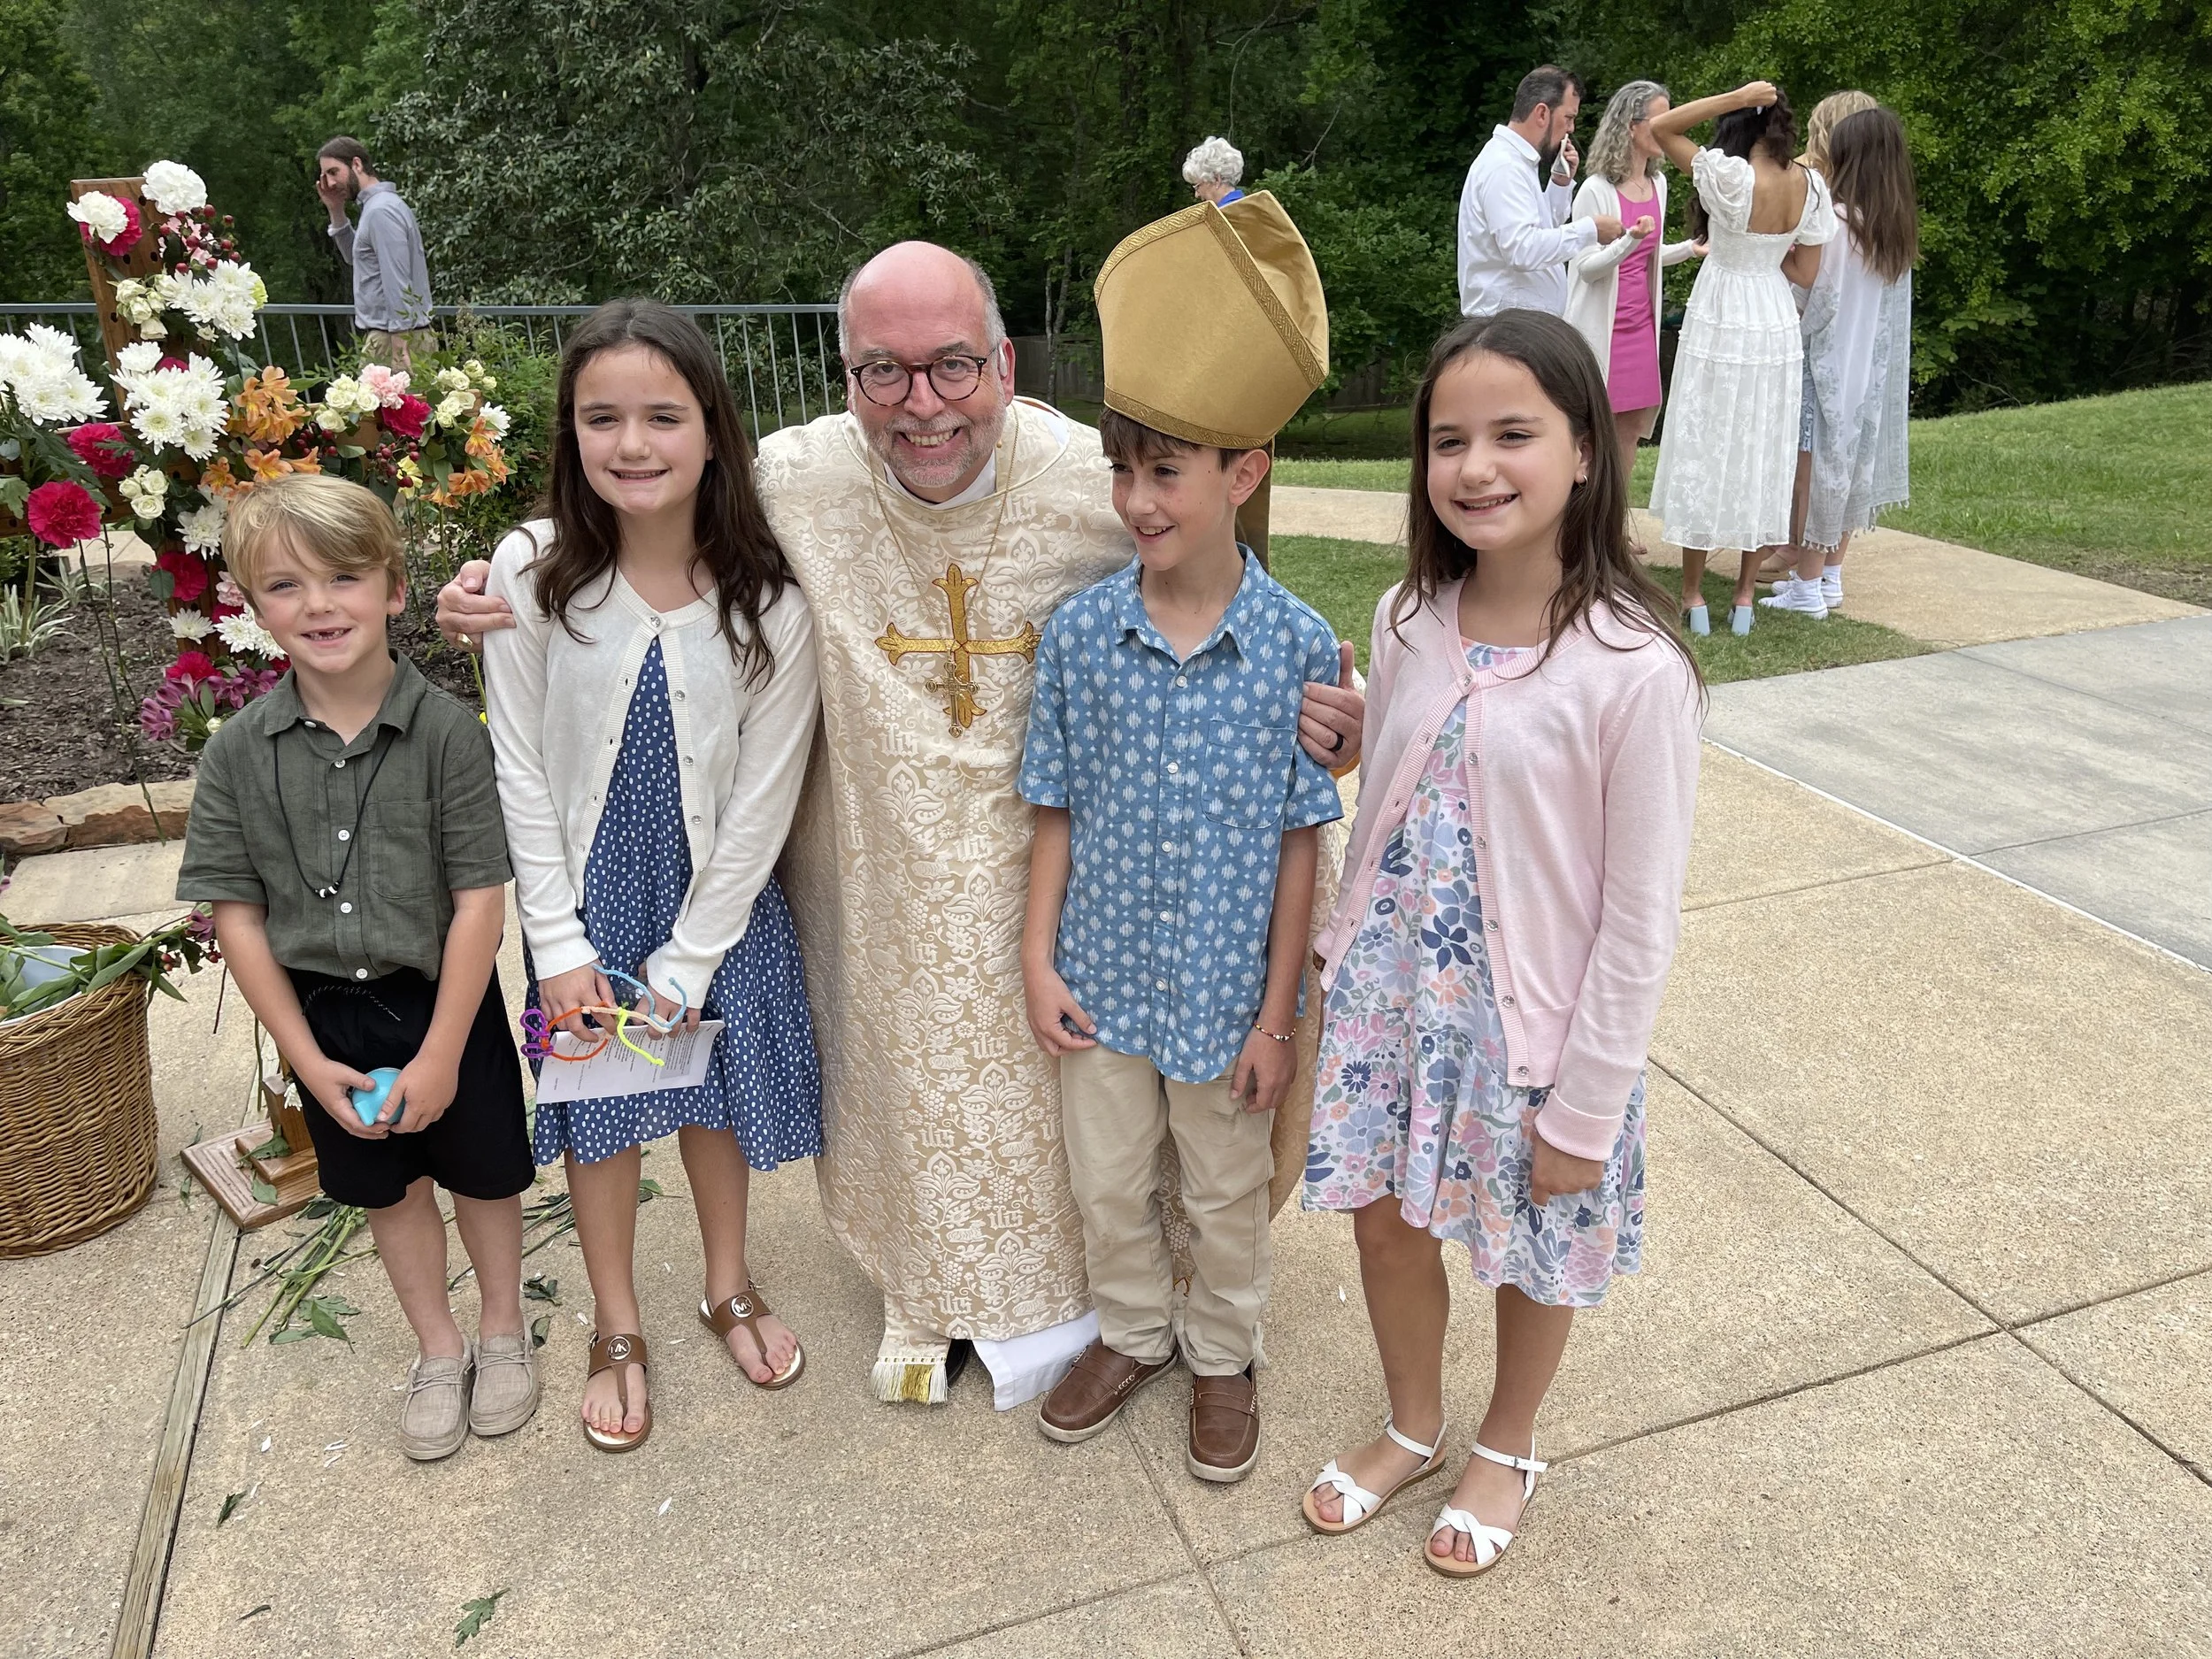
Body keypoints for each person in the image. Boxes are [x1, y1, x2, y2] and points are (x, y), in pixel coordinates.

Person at [431, 244, 1366, 1408]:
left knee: (1087, 1120)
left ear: (1007, 363)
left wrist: (1335, 708)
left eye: (952, 366)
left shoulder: (1098, 479)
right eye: (882, 373)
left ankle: (1114, 1304)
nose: (921, 405)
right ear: (842, 378)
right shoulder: (796, 478)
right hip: (880, 862)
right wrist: (504, 573)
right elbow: (648, 495)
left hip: (1061, 862)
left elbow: (1222, 586)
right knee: (901, 1081)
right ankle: (930, 1282)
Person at [1298, 309, 1700, 1577]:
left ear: (1587, 447)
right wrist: (1360, 731)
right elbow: (1431, 753)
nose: (1475, 467)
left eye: (1513, 434)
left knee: (1532, 1241)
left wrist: (1588, 1105)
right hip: (1388, 997)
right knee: (1382, 1222)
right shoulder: (1411, 611)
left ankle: (1509, 1439)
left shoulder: (1635, 670)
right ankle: (1413, 1416)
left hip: (1532, 1028)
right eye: (1448, 440)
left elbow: (1639, 917)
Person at [1020, 192, 1340, 1483]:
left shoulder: (1301, 650)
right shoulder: (1081, 636)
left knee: (1222, 1189)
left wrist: (1278, 1019)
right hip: (1098, 976)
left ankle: (1222, 1354)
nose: (1135, 500)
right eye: (1124, 470)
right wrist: (1039, 958)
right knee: (1108, 1181)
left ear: (1241, 473)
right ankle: (1136, 1331)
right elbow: (1056, 806)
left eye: (1166, 471)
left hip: (1224, 993)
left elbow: (1298, 844)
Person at [480, 300, 822, 1452]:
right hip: (585, 898)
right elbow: (518, 768)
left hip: (713, 906)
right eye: (603, 417)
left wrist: (688, 960)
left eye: (662, 415)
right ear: (571, 434)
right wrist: (562, 943)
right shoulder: (532, 572)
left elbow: (765, 798)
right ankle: (614, 1318)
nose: (633, 442)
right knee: (603, 1112)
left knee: (713, 1098)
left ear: (713, 431)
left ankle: (727, 1279)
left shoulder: (767, 600)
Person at [177, 474, 536, 1463]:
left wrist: (444, 1054)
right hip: (326, 1019)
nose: (320, 604)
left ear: (391, 586)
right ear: (255, 609)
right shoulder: (238, 756)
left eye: (344, 576)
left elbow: (478, 900)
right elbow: (239, 916)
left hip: (445, 1002)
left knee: (485, 1175)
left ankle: (502, 1330)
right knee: (387, 1190)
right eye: (286, 586)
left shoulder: (449, 739)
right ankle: (437, 1347)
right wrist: (302, 1058)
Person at [1647, 82, 1834, 635]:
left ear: (1738, 128)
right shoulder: (1812, 186)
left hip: (1722, 306)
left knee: (1705, 441)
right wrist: (1768, 252)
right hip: (1772, 316)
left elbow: (1662, 128)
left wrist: (1735, 97)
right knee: (1763, 446)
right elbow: (1805, 274)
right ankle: (1746, 599)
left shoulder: (1728, 177)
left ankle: (1694, 595)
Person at [1762, 106, 1917, 619]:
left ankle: (1807, 585)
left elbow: (1816, 296)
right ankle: (1829, 574)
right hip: (1866, 369)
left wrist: (1777, 259)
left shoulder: (1837, 221)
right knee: (1850, 470)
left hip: (1825, 361)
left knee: (1812, 474)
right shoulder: (1890, 228)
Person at [1563, 80, 1705, 474]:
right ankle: (1583, 528)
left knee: (1627, 435)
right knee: (1591, 436)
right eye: (1662, 119)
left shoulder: (1658, 184)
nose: (1672, 127)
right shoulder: (1595, 190)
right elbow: (1587, 268)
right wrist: (1628, 240)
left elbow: (1648, 255)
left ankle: (1616, 528)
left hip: (1641, 331)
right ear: (1630, 125)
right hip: (1601, 332)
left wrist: (1690, 249)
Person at [1457, 65, 1629, 319]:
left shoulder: (1516, 162)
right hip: (1508, 328)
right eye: (1568, 118)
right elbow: (1523, 250)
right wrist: (1590, 230)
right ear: (1541, 113)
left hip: (1519, 323)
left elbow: (1539, 234)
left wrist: (1559, 184)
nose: (1571, 129)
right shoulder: (1504, 166)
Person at [316, 137, 434, 370]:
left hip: (394, 340)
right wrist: (336, 211)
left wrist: (400, 350)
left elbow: (396, 278)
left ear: (357, 165)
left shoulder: (381, 211)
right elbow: (356, 258)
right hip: (395, 336)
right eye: (325, 176)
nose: (329, 183)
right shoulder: (378, 207)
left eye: (333, 172)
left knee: (381, 406)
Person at [1183, 136, 1247, 206]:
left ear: (1217, 179)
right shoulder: (1250, 206)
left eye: (1197, 187)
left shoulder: (1223, 214)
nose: (1197, 195)